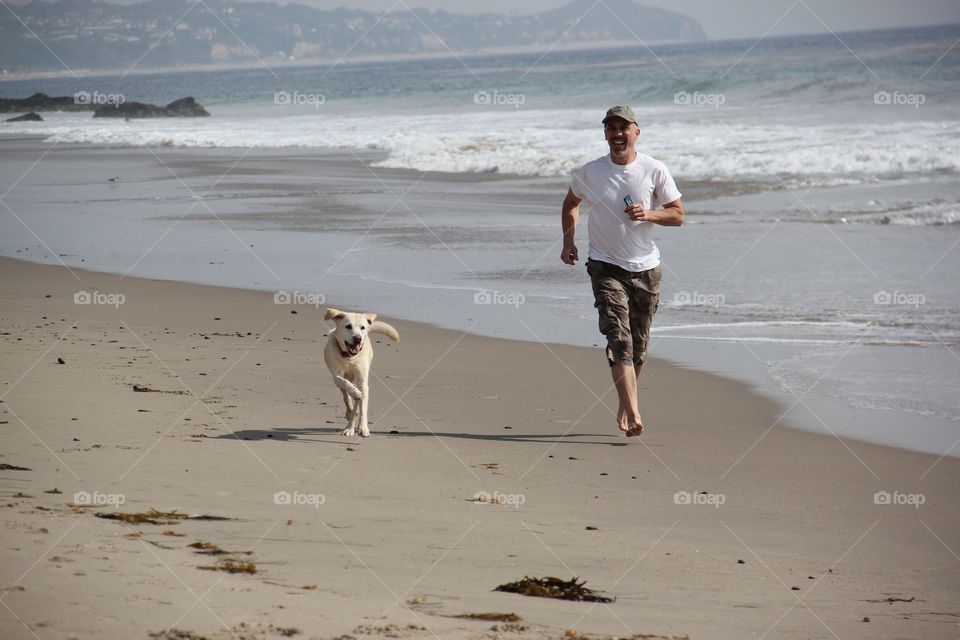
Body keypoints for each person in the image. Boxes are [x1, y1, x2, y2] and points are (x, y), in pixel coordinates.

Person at [560, 105, 684, 437]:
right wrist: (568, 241)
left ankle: (624, 401)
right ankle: (634, 410)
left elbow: (678, 215)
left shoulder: (654, 170)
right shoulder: (590, 172)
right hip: (604, 265)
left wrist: (649, 214)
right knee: (619, 339)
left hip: (646, 269)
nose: (617, 134)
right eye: (611, 128)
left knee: (639, 345)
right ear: (605, 134)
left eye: (623, 128)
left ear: (636, 132)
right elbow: (571, 203)